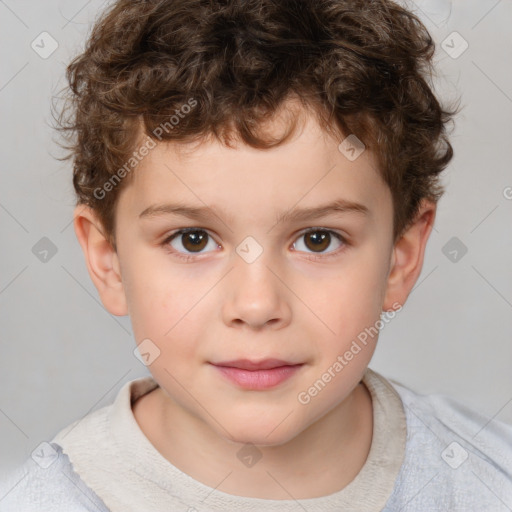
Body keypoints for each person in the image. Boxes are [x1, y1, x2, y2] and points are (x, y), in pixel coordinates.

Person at [1, 0, 511, 510]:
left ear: (401, 257)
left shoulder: (487, 479)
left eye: (318, 239)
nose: (257, 304)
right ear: (107, 259)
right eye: (192, 240)